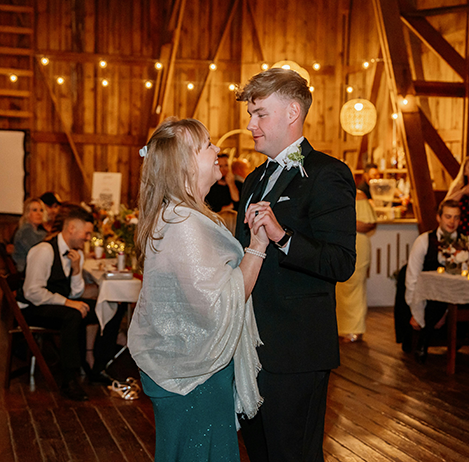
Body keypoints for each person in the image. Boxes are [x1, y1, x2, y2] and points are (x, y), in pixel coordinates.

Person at [234, 68, 356, 461]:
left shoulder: (326, 174)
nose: (251, 125)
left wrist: (284, 238)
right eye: (250, 115)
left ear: (291, 112)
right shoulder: (254, 179)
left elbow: (341, 262)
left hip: (295, 352)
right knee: (260, 453)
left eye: (260, 114)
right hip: (249, 346)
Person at [127, 118, 266, 461]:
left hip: (187, 365)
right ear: (185, 163)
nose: (218, 149)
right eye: (207, 145)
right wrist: (258, 245)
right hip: (194, 376)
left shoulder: (181, 215)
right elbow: (223, 303)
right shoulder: (184, 223)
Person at [18, 204, 108, 401]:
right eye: (86, 233)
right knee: (73, 315)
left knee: (108, 309)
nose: (88, 238)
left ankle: (96, 367)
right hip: (32, 309)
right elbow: (32, 292)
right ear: (71, 229)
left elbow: (76, 294)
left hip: (57, 305)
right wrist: (66, 302)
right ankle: (69, 380)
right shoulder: (43, 250)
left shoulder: (77, 253)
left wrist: (76, 270)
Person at [405, 199, 469, 373]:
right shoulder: (424, 240)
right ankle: (423, 344)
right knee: (436, 298)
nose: (452, 222)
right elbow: (412, 276)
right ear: (438, 217)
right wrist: (415, 310)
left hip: (462, 295)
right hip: (432, 295)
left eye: (456, 218)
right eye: (448, 217)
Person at [336, 189, 377, 342]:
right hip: (339, 244)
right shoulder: (330, 192)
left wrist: (342, 222)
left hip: (358, 244)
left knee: (354, 285)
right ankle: (342, 327)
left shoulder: (358, 196)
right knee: (340, 287)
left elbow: (370, 224)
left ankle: (355, 329)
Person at [12, 198, 48, 272]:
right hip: (27, 269)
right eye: (34, 210)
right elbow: (37, 253)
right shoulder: (25, 231)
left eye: (41, 210)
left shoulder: (37, 231)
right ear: (27, 213)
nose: (39, 213)